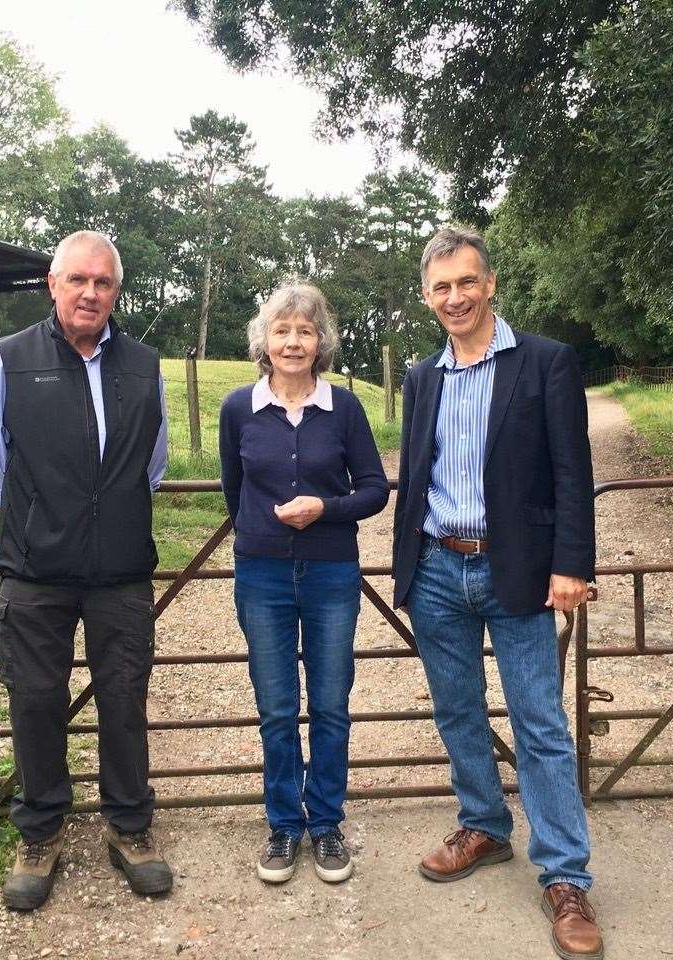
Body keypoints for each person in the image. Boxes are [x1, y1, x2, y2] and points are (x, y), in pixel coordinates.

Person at [392, 226, 602, 959]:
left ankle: (566, 877)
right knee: (456, 709)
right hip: (439, 569)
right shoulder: (423, 378)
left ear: (491, 286)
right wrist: (406, 567)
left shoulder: (545, 362)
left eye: (467, 282)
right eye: (442, 287)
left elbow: (574, 472)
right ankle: (483, 824)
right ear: (428, 297)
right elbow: (417, 475)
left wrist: (571, 563)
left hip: (518, 570)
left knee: (540, 723)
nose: (456, 297)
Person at [0, 230, 173, 912]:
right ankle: (40, 832)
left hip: (119, 570)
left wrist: (105, 511)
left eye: (104, 283)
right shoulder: (10, 361)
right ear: (52, 285)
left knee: (122, 698)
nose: (91, 293)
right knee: (33, 699)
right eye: (78, 280)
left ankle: (131, 828)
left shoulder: (144, 366)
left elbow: (155, 463)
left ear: (117, 291)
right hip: (35, 568)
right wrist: (44, 519)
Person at [219, 282, 389, 885]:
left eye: (305, 331)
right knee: (275, 707)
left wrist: (325, 508)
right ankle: (284, 826)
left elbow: (373, 489)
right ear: (265, 340)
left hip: (331, 570)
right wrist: (263, 533)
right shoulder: (239, 407)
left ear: (322, 342)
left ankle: (326, 825)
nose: (293, 341)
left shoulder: (343, 408)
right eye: (282, 330)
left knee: (331, 703)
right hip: (261, 571)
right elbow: (233, 490)